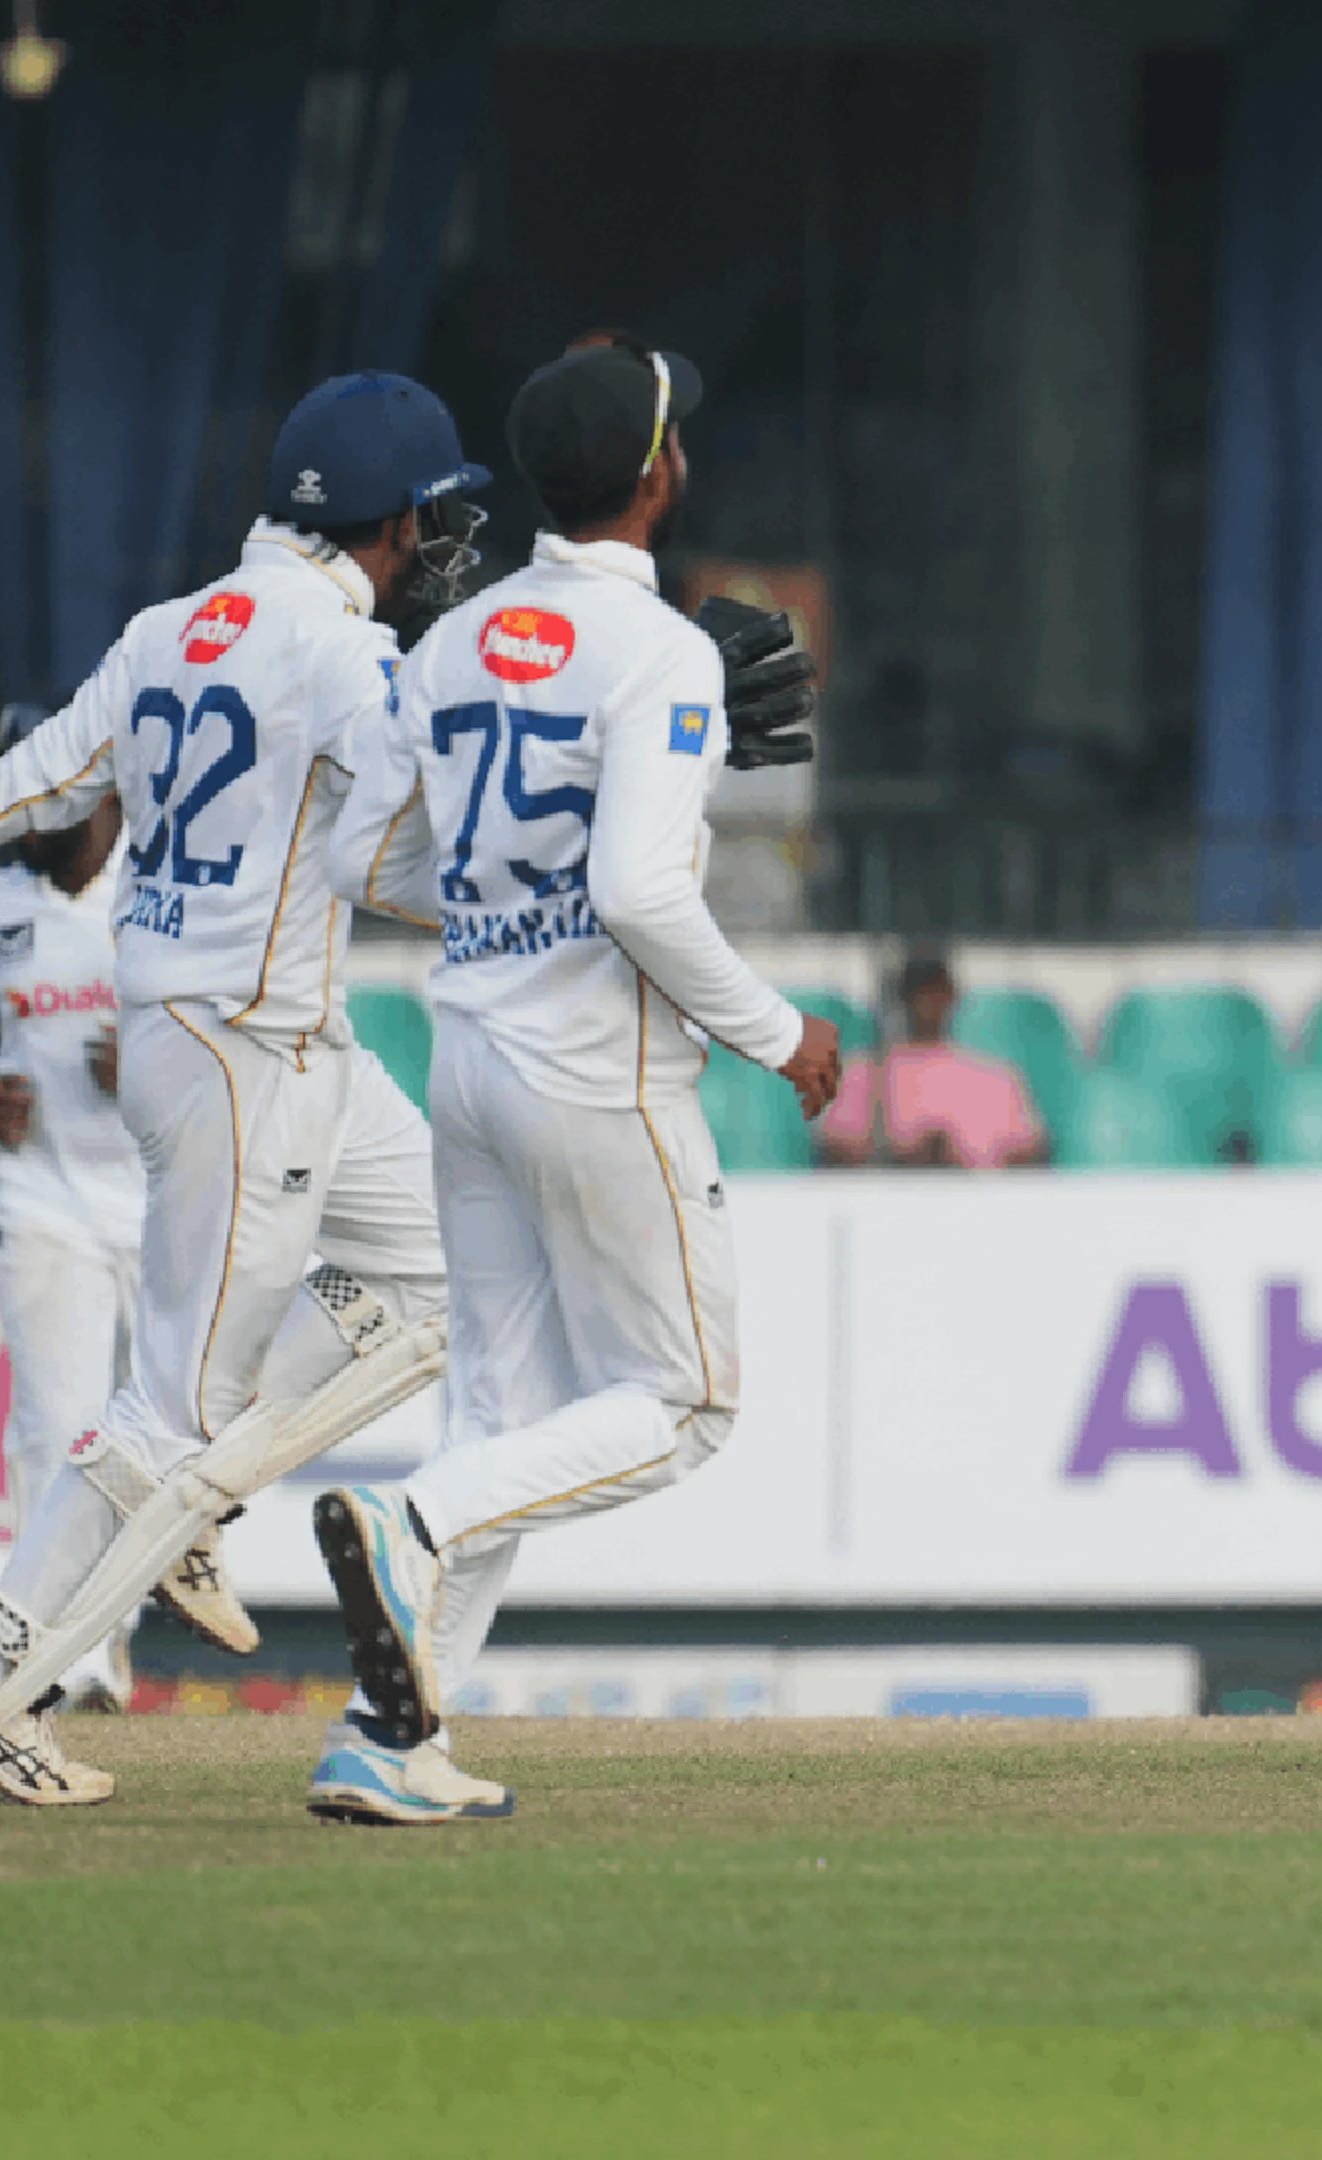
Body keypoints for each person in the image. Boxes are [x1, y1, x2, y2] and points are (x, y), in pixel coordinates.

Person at [0, 371, 496, 1807]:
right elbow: (445, 820)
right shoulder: (339, 650)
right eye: (434, 523)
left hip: (262, 1039)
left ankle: (201, 1503)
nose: (440, 551)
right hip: (240, 1051)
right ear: (394, 522)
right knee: (168, 1418)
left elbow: (35, 778)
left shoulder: (169, 631)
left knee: (445, 1275)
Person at [310, 335, 839, 1824]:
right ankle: (411, 1523)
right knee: (684, 1404)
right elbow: (640, 898)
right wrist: (778, 1031)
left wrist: (492, 895)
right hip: (597, 1074)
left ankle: (384, 1736)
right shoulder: (665, 654)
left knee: (502, 1405)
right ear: (663, 472)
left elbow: (366, 861)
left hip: (467, 1062)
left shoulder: (457, 635)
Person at [0, 772, 253, 1710]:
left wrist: (159, 1067)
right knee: (52, 1427)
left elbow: (245, 1034)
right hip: (43, 1201)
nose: (31, 827)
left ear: (107, 808)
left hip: (161, 1206)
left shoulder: (161, 895)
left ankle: (109, 1632)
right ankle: (59, 1656)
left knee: (157, 1434)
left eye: (53, 810)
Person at [817, 954, 1048, 1168]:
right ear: (903, 999)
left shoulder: (996, 1076)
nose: (929, 1003)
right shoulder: (865, 1074)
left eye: (937, 992)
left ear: (952, 996)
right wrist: (905, 1157)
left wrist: (958, 1161)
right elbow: (833, 1151)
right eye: (921, 993)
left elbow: (1031, 1153)